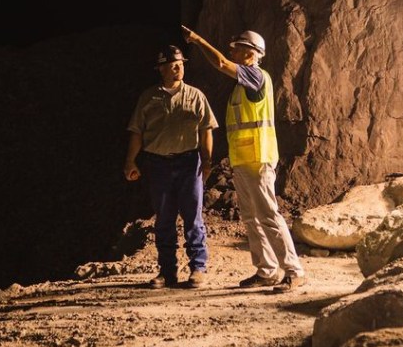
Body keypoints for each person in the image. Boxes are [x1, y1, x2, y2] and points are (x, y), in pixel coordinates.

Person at [180, 24, 306, 292]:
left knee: (269, 216)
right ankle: (267, 270)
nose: (233, 52)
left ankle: (294, 270)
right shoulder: (242, 85)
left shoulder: (256, 77)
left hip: (259, 159)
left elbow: (222, 63)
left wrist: (199, 41)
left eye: (237, 48)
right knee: (251, 218)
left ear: (251, 52)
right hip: (244, 160)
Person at [124, 44, 217, 289]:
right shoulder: (149, 98)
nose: (178, 68)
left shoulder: (196, 96)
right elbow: (137, 132)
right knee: (164, 219)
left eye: (181, 64)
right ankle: (167, 272)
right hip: (158, 165)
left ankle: (198, 268)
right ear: (162, 69)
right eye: (173, 65)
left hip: (189, 163)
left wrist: (207, 162)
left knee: (193, 218)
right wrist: (130, 161)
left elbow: (206, 130)